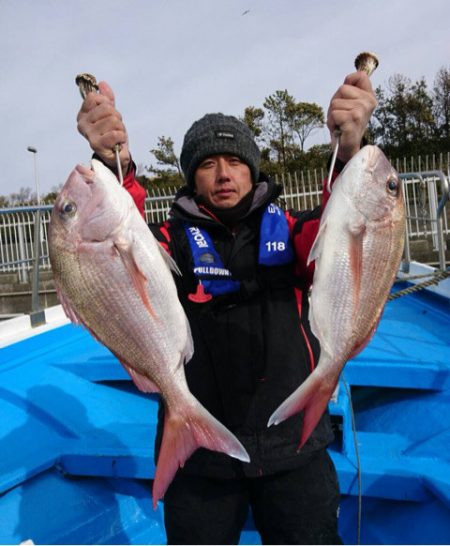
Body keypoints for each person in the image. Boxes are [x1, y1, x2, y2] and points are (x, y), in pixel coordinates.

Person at [77, 72, 376, 545]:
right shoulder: (167, 241)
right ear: (192, 178)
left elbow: (351, 220)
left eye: (235, 161)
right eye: (208, 164)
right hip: (200, 463)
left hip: (293, 449)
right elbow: (118, 244)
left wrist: (352, 147)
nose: (223, 174)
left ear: (252, 171)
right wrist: (112, 160)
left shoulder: (297, 232)